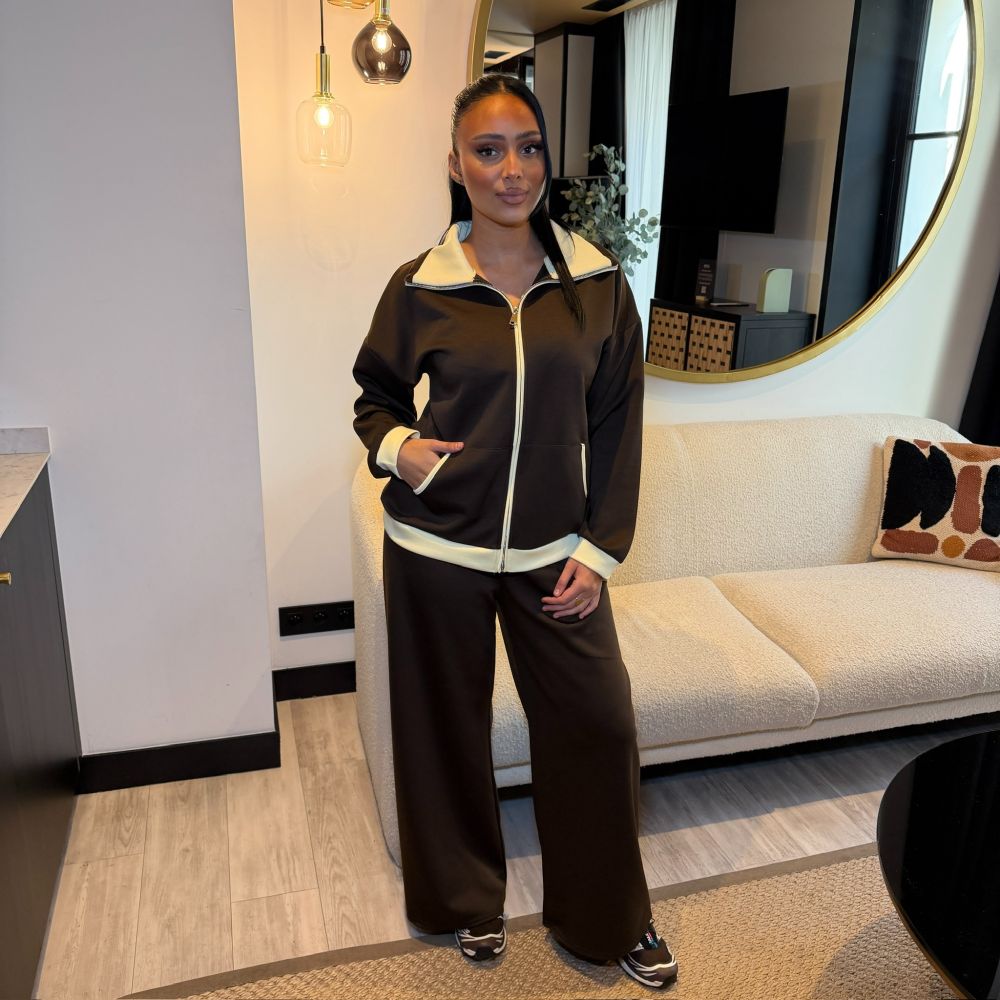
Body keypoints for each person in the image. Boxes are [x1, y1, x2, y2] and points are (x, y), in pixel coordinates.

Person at [351, 73, 678, 990]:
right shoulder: (419, 286)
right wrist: (401, 450)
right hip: (435, 549)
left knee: (598, 725)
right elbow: (375, 398)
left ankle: (608, 915)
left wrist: (599, 550)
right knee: (443, 731)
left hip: (554, 555)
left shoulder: (597, 284)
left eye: (528, 148)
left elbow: (618, 424)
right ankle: (466, 899)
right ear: (456, 165)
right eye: (488, 151)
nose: (511, 169)